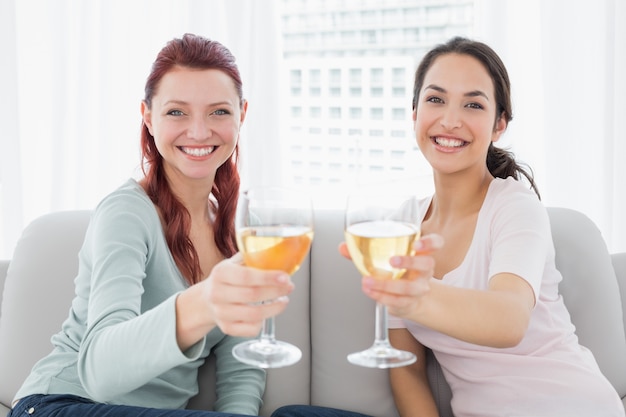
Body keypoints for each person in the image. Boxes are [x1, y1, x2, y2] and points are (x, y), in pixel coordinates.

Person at [336, 36, 625, 416]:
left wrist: (418, 296)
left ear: (498, 124)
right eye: (435, 99)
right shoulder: (402, 226)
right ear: (414, 113)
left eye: (473, 104)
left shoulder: (515, 207)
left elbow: (508, 319)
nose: (450, 120)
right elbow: (407, 368)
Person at [9, 33, 295, 417]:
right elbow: (101, 372)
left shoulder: (245, 230)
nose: (198, 131)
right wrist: (204, 301)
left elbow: (241, 368)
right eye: (177, 112)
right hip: (64, 404)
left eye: (219, 112)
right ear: (148, 115)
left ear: (242, 114)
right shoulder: (127, 213)